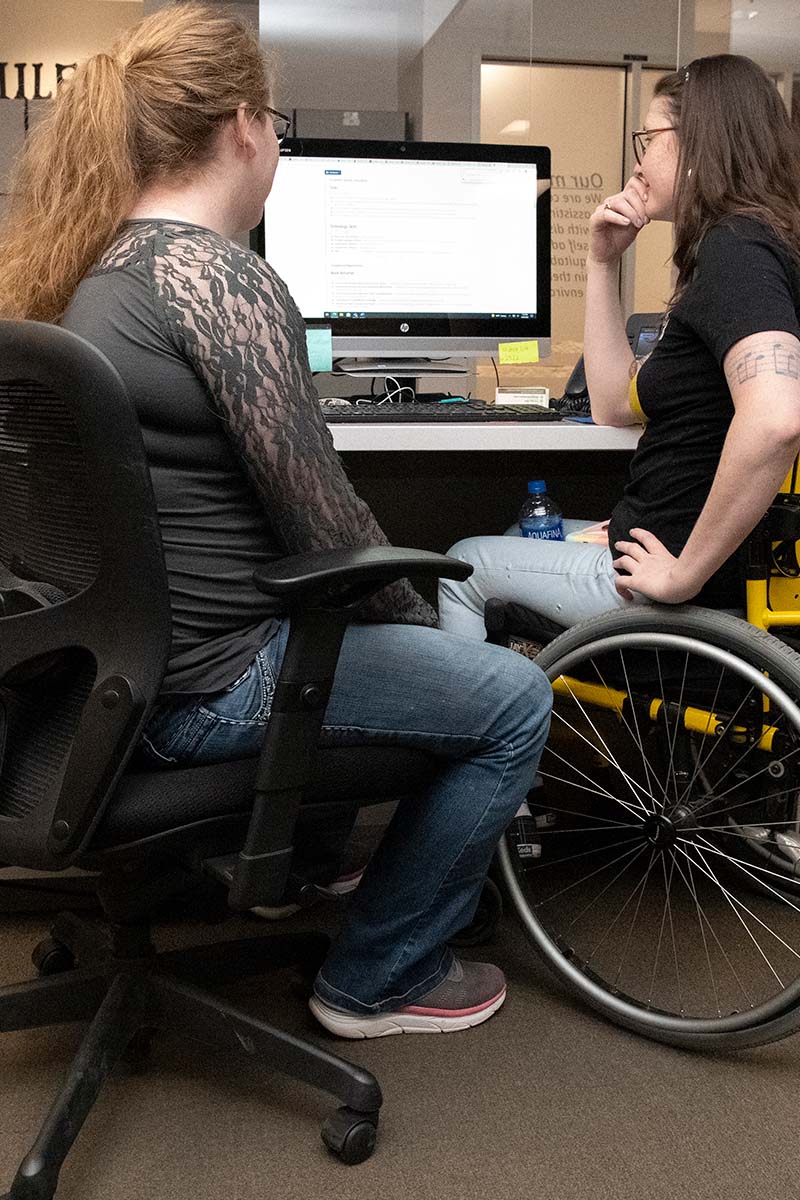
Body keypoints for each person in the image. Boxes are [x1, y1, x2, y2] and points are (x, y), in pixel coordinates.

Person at [0, 4, 553, 1038]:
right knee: (509, 698)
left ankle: (301, 866)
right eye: (279, 126)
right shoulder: (218, 275)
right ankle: (376, 977)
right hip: (209, 688)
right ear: (247, 125)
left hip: (105, 685)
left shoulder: (93, 273)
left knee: (360, 632)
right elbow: (326, 523)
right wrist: (422, 619)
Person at [438, 55, 800, 641]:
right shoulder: (761, 247)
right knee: (514, 540)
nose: (638, 162)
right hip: (688, 552)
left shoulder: (736, 254)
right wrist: (601, 260)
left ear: (699, 143)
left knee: (465, 568)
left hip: (682, 580)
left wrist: (684, 573)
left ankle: (495, 727)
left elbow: (777, 418)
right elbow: (610, 403)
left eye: (649, 139)